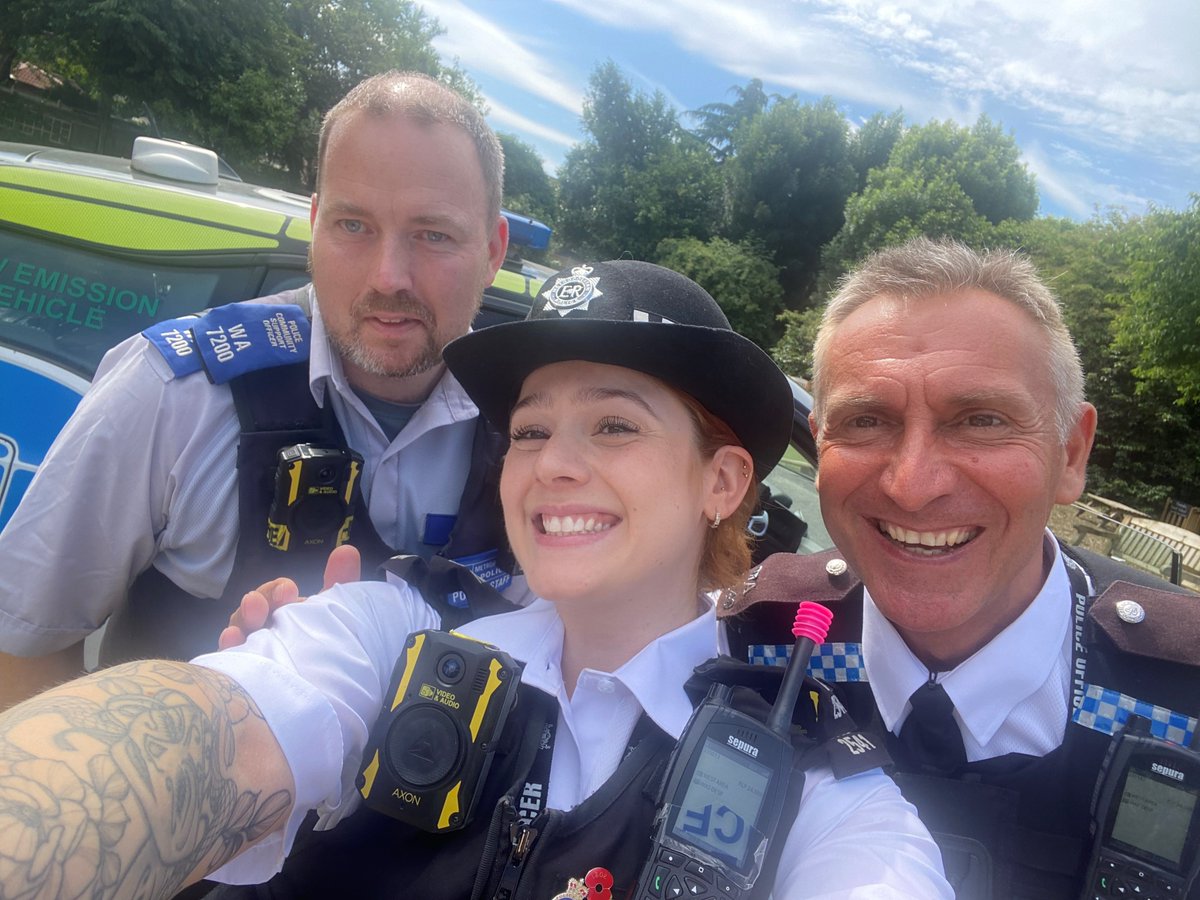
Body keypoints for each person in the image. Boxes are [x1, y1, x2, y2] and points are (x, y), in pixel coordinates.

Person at [0, 260, 952, 899]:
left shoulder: (809, 775)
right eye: (530, 430)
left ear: (722, 481)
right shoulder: (403, 633)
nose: (553, 464)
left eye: (613, 425)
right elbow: (210, 736)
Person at [0, 71, 517, 709]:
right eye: (353, 225)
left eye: (433, 235)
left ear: (494, 251)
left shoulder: (532, 426)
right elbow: (19, 649)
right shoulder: (174, 392)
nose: (389, 275)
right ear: (315, 222)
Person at [720, 237, 1200, 899]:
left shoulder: (1186, 692)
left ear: (1071, 453)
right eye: (866, 419)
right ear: (822, 442)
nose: (913, 485)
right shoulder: (752, 642)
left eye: (980, 419)